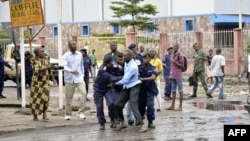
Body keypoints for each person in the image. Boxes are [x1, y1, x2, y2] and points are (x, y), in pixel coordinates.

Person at [114, 49, 147, 133]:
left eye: (125, 56)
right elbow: (124, 67)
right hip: (127, 86)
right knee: (117, 104)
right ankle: (123, 123)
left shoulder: (133, 66)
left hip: (134, 86)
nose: (123, 57)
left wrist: (113, 82)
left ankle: (142, 125)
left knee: (133, 104)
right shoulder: (126, 62)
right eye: (123, 56)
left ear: (131, 56)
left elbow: (125, 79)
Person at [93, 55, 122, 130]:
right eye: (106, 64)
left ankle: (112, 119)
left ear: (111, 62)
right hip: (98, 89)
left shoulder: (115, 66)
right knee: (99, 106)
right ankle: (102, 123)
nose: (108, 65)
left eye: (109, 63)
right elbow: (111, 78)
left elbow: (121, 71)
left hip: (107, 88)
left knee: (111, 103)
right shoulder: (102, 69)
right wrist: (122, 78)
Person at [30, 47, 56, 121]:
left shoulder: (46, 59)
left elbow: (49, 70)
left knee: (46, 98)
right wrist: (47, 67)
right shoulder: (34, 60)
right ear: (37, 53)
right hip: (36, 83)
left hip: (45, 82)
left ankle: (45, 114)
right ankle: (35, 115)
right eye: (41, 51)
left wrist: (53, 78)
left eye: (43, 51)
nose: (43, 53)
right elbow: (36, 70)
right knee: (36, 99)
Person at [62, 40, 87, 120]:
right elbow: (64, 66)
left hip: (79, 78)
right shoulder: (65, 56)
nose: (74, 46)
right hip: (69, 79)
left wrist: (82, 75)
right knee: (68, 97)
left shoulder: (80, 54)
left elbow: (81, 65)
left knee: (84, 93)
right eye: (72, 45)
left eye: (75, 44)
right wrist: (71, 70)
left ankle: (81, 112)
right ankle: (68, 113)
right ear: (69, 46)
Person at [138, 53, 158, 128]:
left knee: (150, 105)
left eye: (146, 58)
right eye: (143, 58)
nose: (144, 59)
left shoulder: (153, 68)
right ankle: (140, 119)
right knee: (141, 106)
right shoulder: (139, 67)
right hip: (141, 90)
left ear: (149, 59)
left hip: (150, 90)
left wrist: (143, 79)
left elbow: (153, 77)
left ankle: (150, 121)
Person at [126, 43, 143, 125]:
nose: (136, 49)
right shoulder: (127, 57)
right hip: (130, 81)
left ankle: (138, 117)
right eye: (135, 48)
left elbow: (142, 66)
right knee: (130, 100)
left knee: (137, 100)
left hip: (138, 80)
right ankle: (130, 117)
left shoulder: (139, 56)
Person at [165, 43, 184, 111]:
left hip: (178, 75)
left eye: (176, 46)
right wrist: (170, 76)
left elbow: (182, 65)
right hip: (172, 75)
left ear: (178, 47)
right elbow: (172, 67)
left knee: (180, 90)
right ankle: (172, 106)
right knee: (173, 91)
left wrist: (174, 62)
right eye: (174, 47)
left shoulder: (180, 55)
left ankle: (180, 106)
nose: (174, 48)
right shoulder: (172, 55)